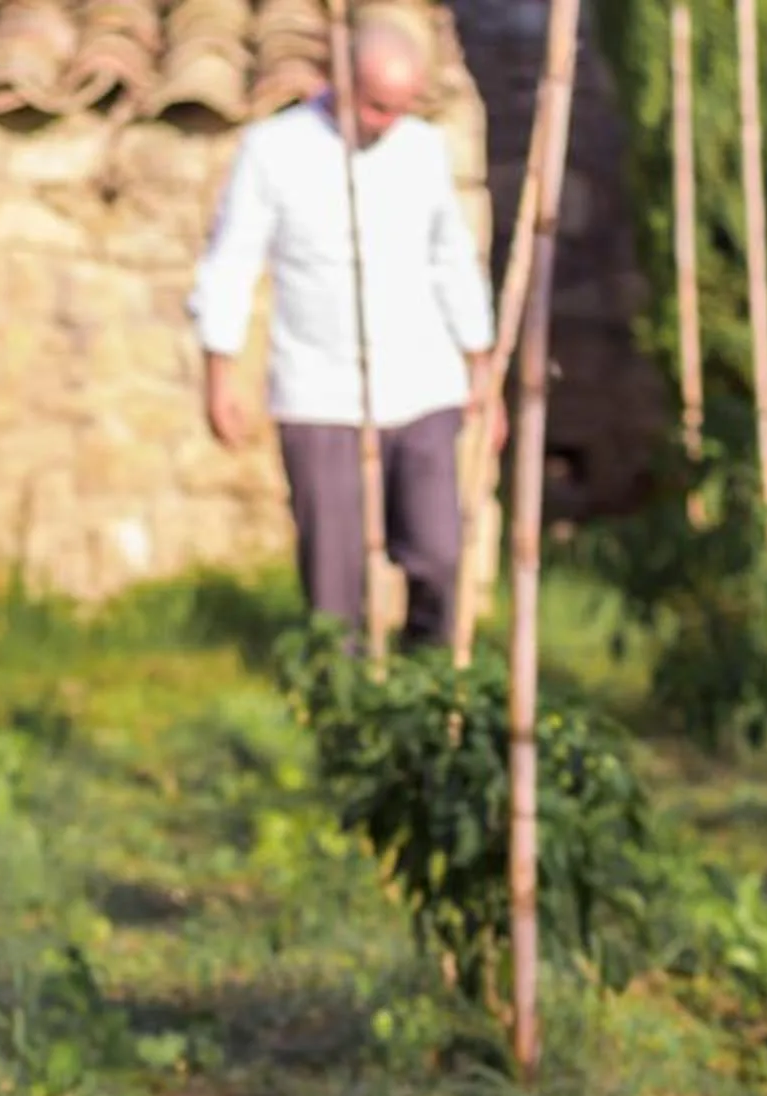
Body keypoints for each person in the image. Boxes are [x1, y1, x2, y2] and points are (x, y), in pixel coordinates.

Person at [187, 8, 501, 651]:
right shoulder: (274, 149)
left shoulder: (421, 150)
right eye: (378, 105)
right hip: (320, 392)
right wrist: (220, 375)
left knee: (439, 554)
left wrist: (483, 372)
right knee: (334, 585)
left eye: (402, 106)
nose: (388, 122)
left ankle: (425, 682)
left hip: (422, 387)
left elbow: (453, 261)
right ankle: (345, 703)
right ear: (340, 80)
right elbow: (232, 262)